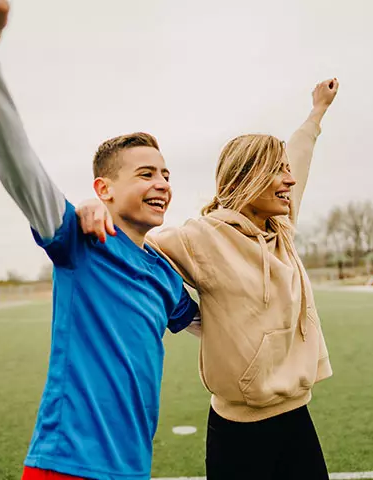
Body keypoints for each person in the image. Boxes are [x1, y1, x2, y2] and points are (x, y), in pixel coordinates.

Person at [0, 2, 199, 479]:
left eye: (165, 174)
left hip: (134, 469)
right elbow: (19, 166)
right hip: (66, 467)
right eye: (145, 173)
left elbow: (214, 323)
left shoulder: (164, 274)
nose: (161, 183)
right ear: (104, 188)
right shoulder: (81, 237)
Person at [79, 79, 339, 479]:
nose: (289, 181)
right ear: (246, 179)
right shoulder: (202, 238)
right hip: (239, 432)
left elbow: (301, 160)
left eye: (288, 172)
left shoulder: (281, 228)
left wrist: (316, 112)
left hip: (297, 418)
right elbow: (134, 243)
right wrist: (95, 212)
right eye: (277, 172)